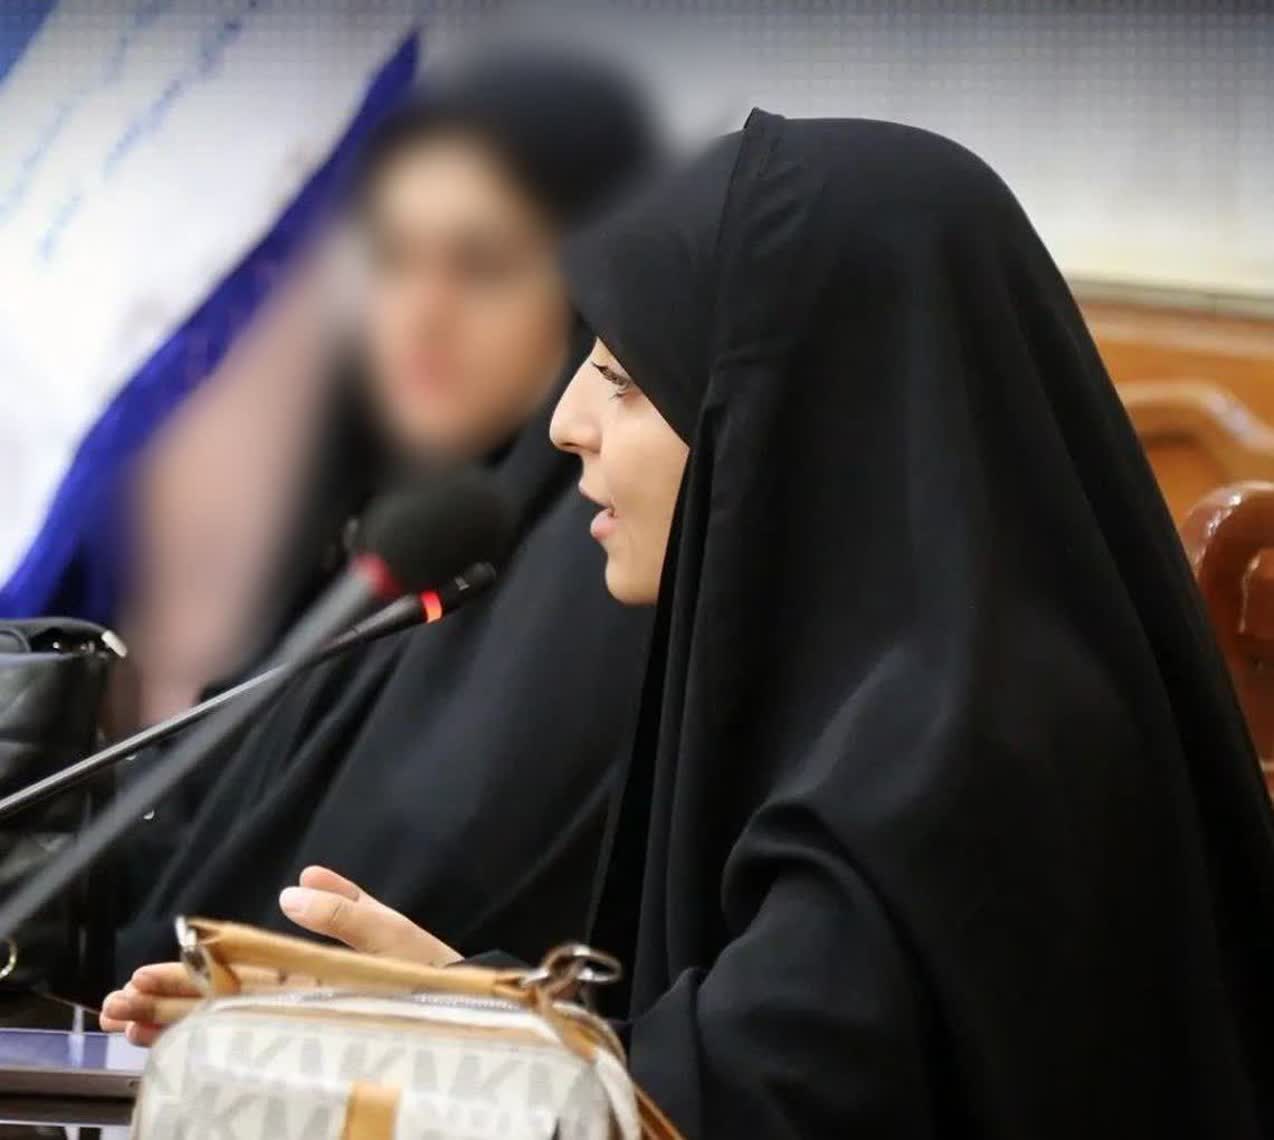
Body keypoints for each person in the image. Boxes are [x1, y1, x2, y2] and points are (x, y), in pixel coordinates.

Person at [106, 108, 1274, 1138]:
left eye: (624, 380)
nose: (566, 422)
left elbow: (745, 1114)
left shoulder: (956, 758)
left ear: (800, 422)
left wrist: (453, 1034)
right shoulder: (883, 700)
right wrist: (459, 1009)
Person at [110, 51, 658, 983]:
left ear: (591, 292)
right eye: (394, 260)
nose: (421, 313)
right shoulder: (373, 533)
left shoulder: (611, 577)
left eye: (481, 265)